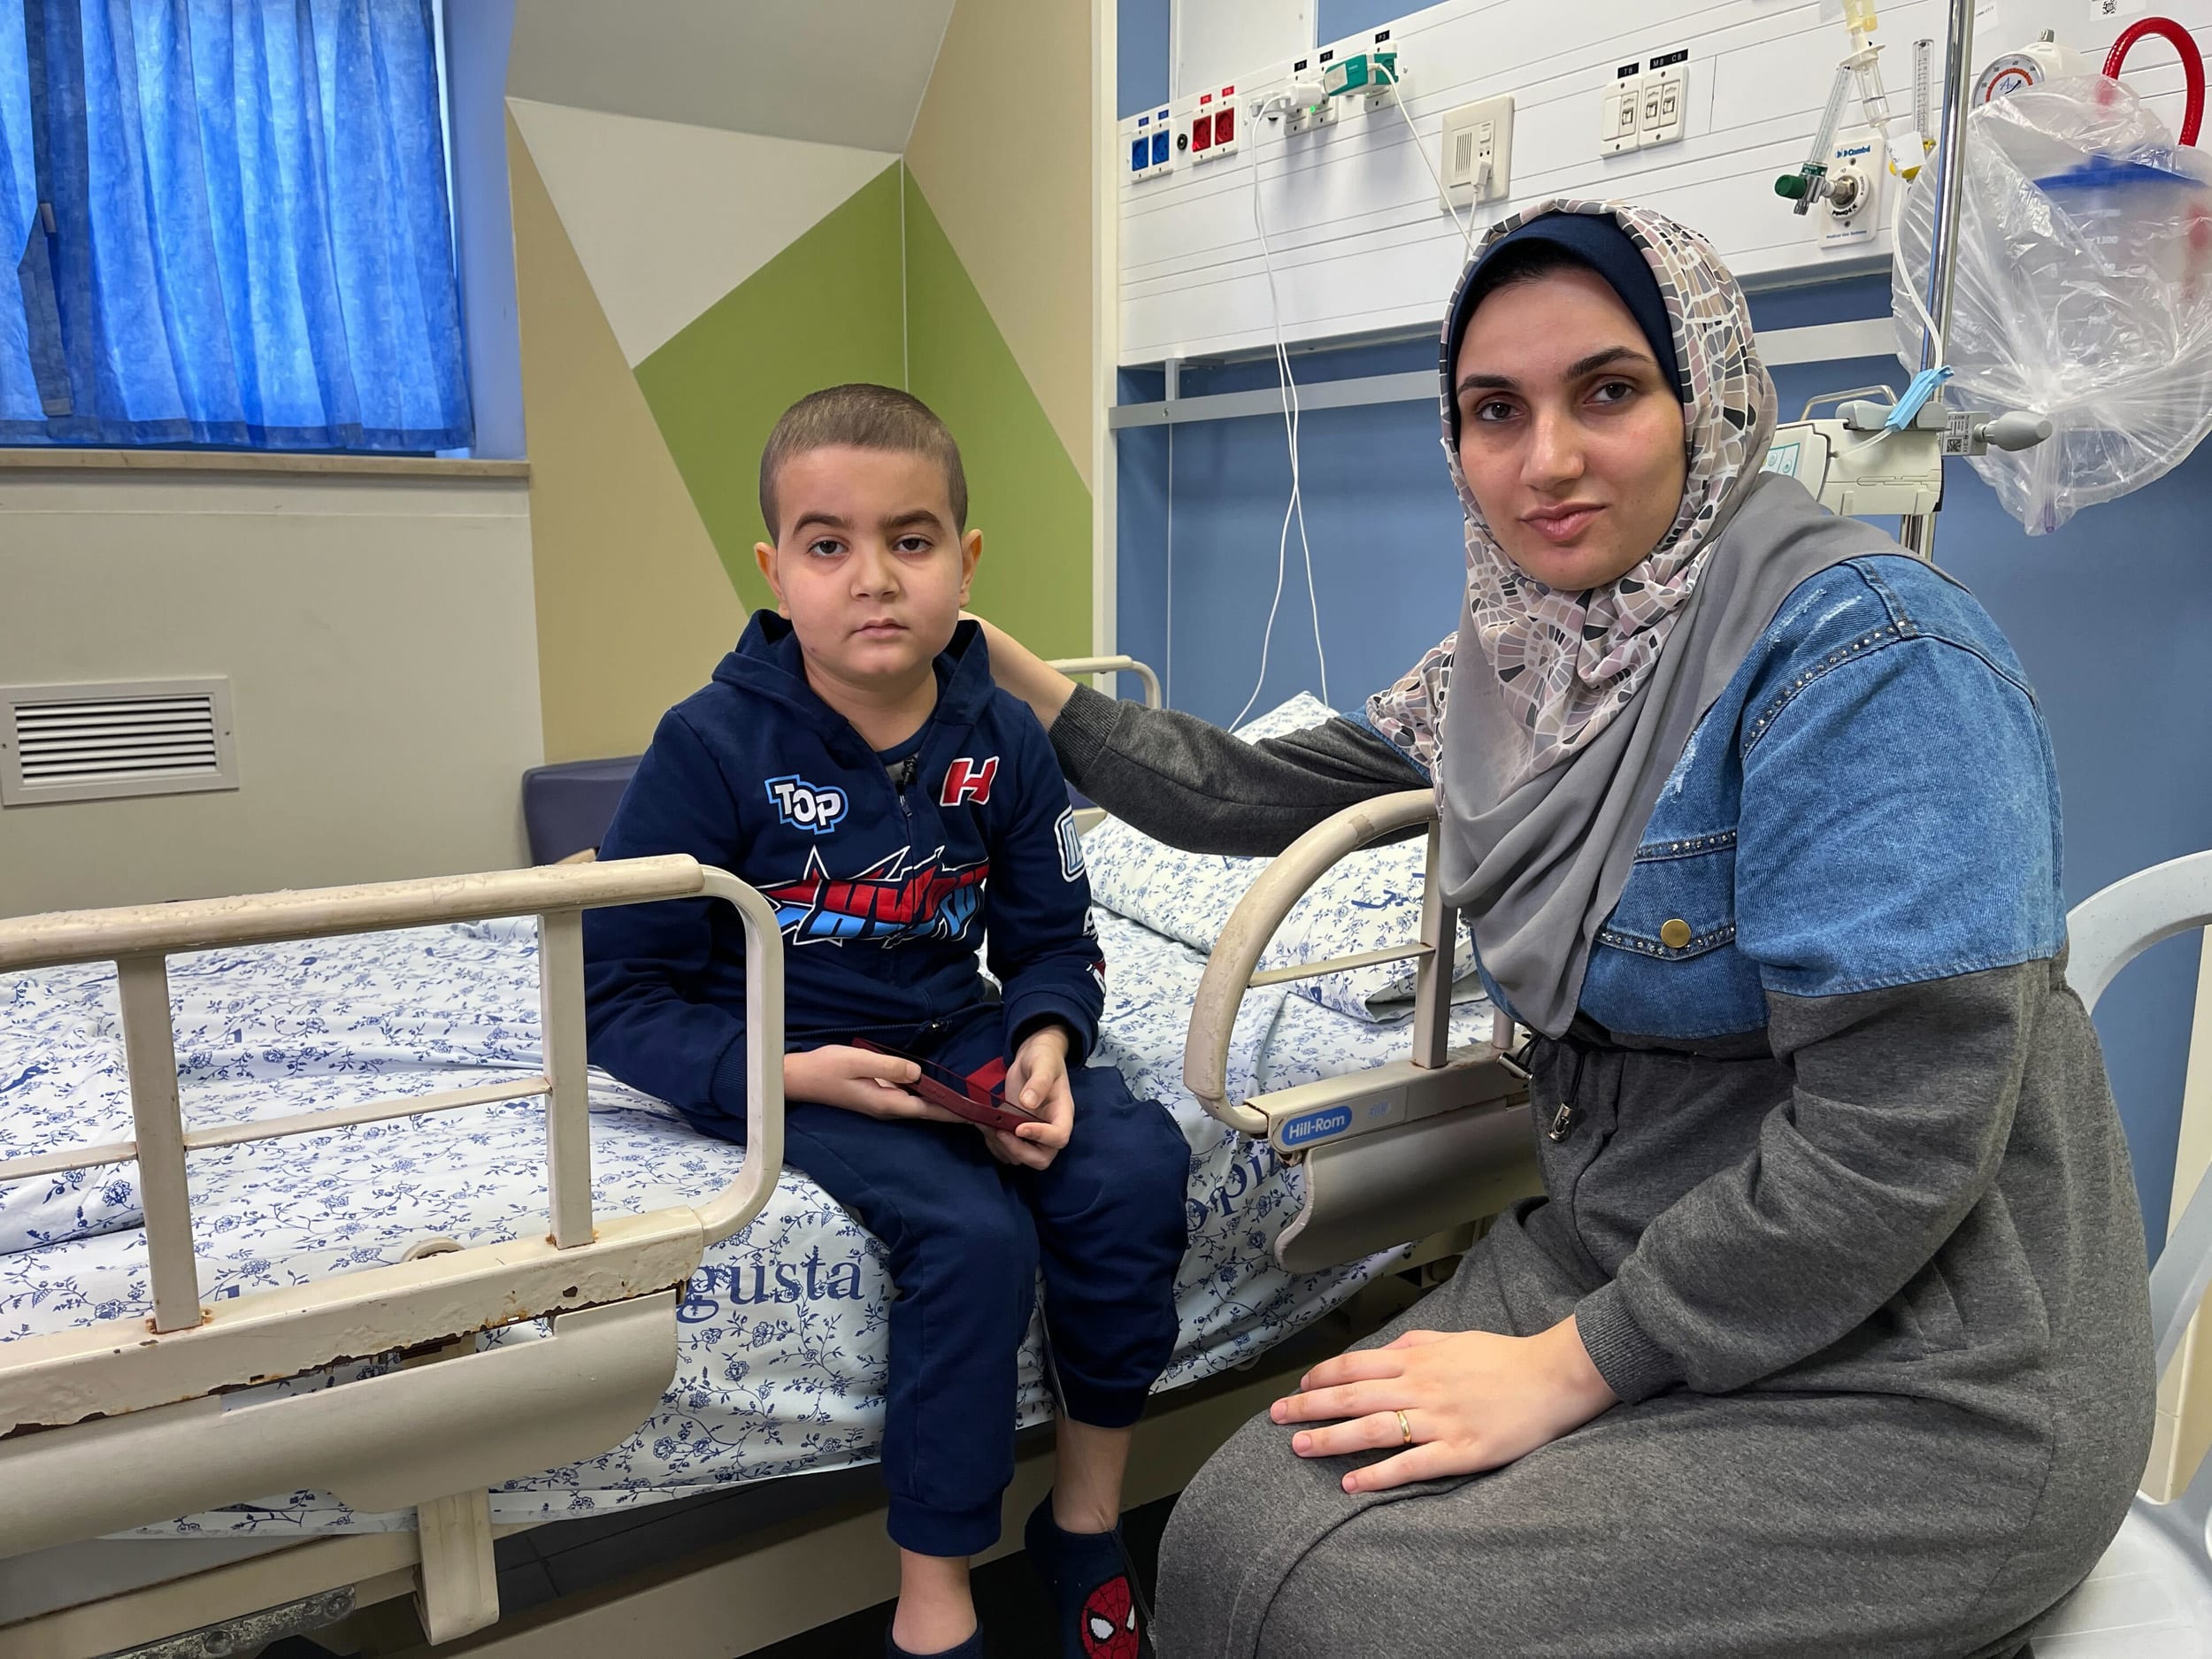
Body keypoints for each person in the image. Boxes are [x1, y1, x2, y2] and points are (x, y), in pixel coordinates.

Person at [973, 200, 2155, 1657]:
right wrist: (1013, 678)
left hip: (1931, 1356)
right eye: (1493, 411)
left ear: (1704, 394)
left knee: (1361, 1613)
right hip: (1623, 1234)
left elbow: (1897, 1141)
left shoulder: (1871, 661)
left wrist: (1576, 1365)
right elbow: (1259, 792)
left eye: (1607, 391)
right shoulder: (1522, 662)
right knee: (1225, 1533)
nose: (1546, 460)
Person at [582, 384, 1189, 1659]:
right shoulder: (708, 746)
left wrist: (1047, 1039)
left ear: (965, 564)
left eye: (911, 542)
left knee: (1131, 1166)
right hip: (785, 1048)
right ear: (775, 570)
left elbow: (1049, 939)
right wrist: (782, 1075)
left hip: (950, 1029)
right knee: (972, 1235)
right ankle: (935, 1597)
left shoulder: (1003, 744)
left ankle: (1083, 1524)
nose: (873, 579)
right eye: (828, 544)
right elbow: (616, 994)